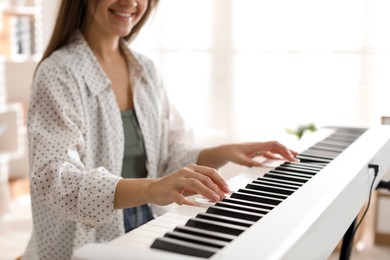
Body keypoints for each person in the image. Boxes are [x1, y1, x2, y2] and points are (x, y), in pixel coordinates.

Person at [22, 0, 299, 259]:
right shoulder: (57, 74)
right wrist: (151, 188)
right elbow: (54, 179)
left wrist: (225, 151)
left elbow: (169, 157)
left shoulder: (145, 70)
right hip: (82, 243)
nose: (130, 2)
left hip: (147, 222)